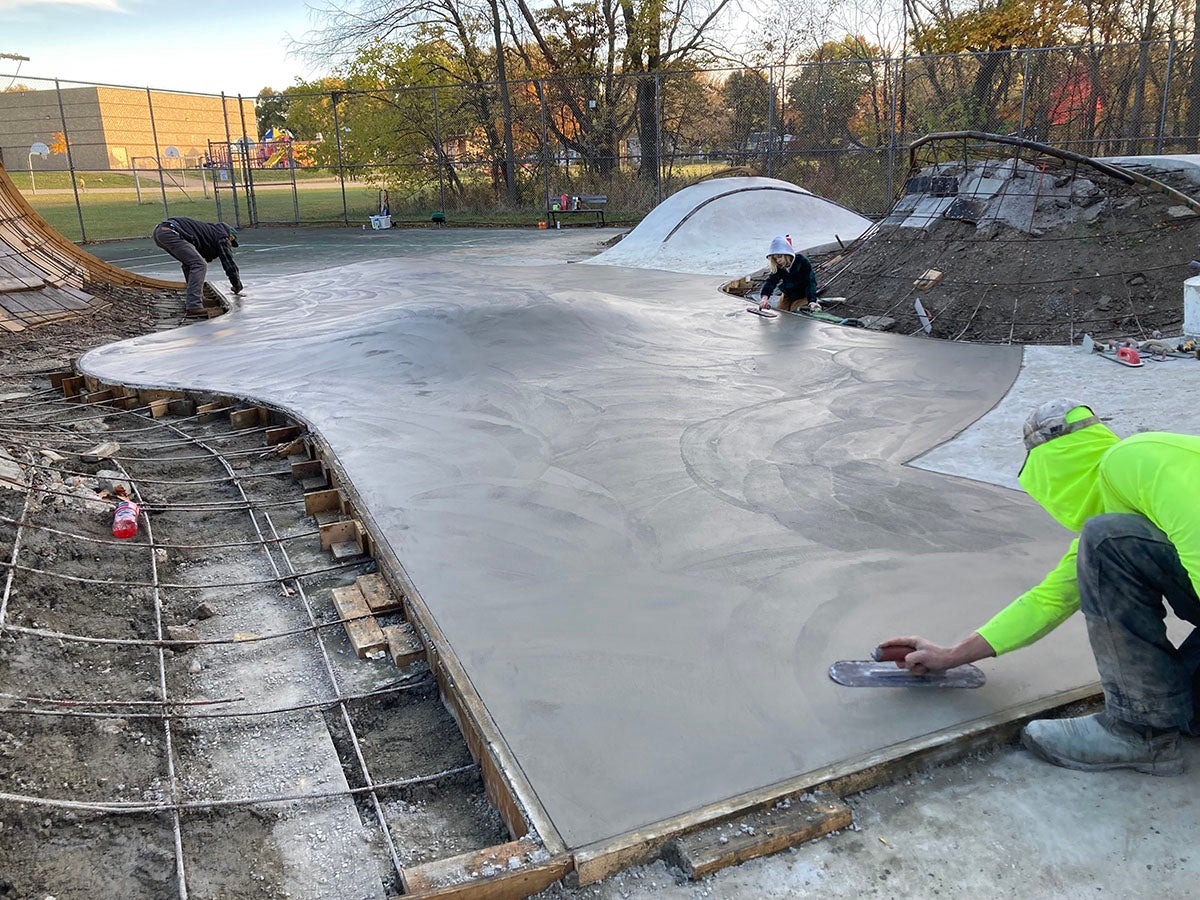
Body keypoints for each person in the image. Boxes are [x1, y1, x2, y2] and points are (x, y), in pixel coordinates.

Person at [879, 399, 1200, 776]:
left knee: (1102, 540)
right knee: (1188, 710)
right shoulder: (1124, 512)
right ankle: (1153, 725)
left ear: (1051, 469)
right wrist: (951, 656)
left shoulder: (1135, 459)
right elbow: (1048, 601)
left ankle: (1139, 731)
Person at [152, 216, 243, 315]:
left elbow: (203, 252)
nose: (229, 245)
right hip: (171, 232)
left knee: (190, 264)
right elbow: (228, 263)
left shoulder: (210, 231)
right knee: (199, 264)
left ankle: (197, 299)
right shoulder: (223, 237)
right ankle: (194, 305)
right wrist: (237, 285)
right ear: (231, 237)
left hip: (161, 232)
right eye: (231, 242)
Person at [758, 235, 819, 312]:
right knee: (781, 312)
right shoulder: (779, 266)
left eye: (779, 256)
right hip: (788, 294)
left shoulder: (802, 261)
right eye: (775, 258)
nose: (778, 260)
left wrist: (812, 300)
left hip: (803, 295)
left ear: (786, 255)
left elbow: (810, 282)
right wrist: (765, 298)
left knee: (795, 311)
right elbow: (771, 281)